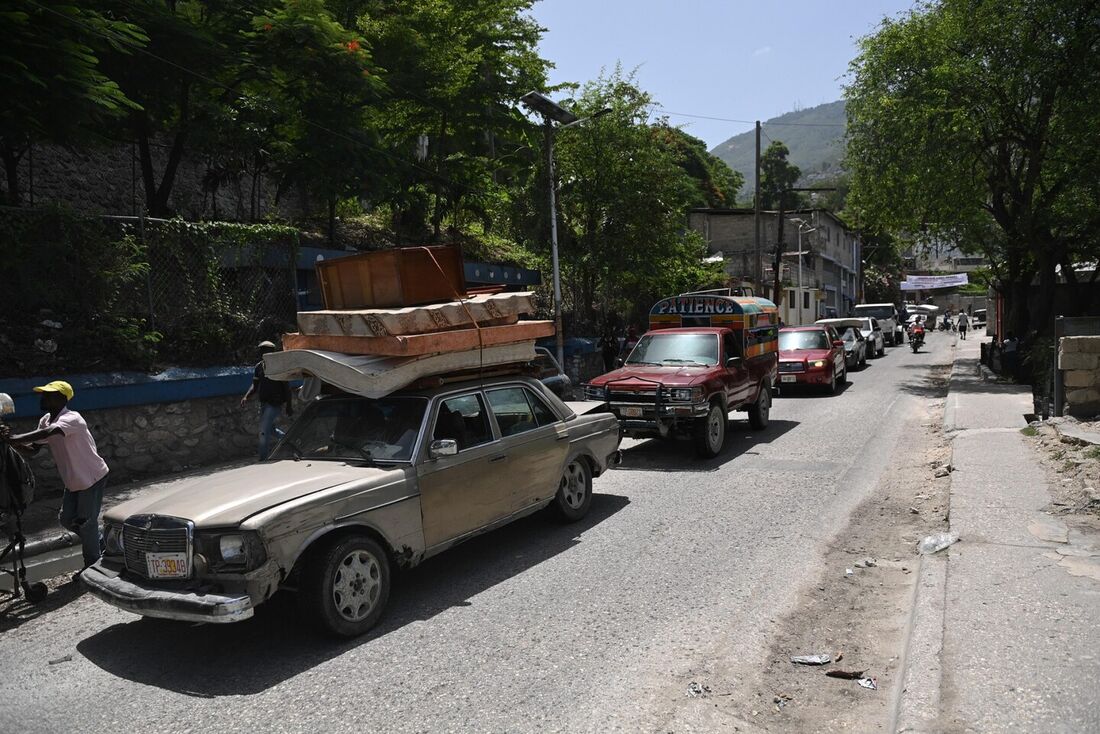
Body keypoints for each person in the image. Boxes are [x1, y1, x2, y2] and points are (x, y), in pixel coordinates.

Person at [2, 380, 109, 572]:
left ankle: (93, 568)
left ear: (61, 398)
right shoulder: (45, 420)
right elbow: (33, 450)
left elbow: (52, 432)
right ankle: (100, 540)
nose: (43, 398)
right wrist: (12, 443)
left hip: (91, 476)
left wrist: (14, 438)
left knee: (86, 523)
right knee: (67, 519)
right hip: (73, 479)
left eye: (48, 395)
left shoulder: (72, 418)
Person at [241, 341, 293, 460]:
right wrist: (246, 396)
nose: (262, 353)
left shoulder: (279, 366)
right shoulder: (259, 366)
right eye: (261, 350)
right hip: (264, 403)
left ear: (271, 352)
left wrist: (289, 405)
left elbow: (287, 388)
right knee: (271, 429)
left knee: (264, 430)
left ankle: (263, 458)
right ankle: (292, 443)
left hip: (275, 403)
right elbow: (255, 385)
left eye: (264, 350)